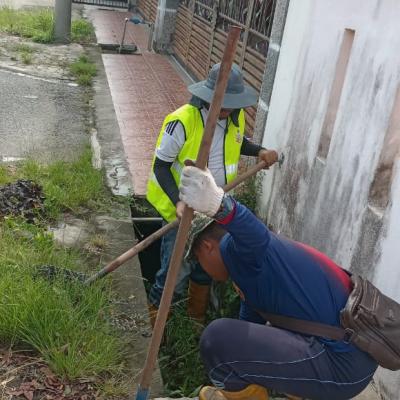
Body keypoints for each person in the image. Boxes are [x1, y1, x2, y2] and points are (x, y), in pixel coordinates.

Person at [178, 165, 378, 400]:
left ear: (206, 247)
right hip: (354, 359)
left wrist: (219, 204)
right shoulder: (252, 272)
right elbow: (248, 328)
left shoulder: (236, 249)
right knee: (235, 340)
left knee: (215, 339)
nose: (202, 268)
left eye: (197, 260)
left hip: (340, 364)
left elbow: (255, 235)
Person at [146, 62, 278, 324]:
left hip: (214, 206)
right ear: (208, 96)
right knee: (175, 270)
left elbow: (238, 143)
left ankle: (195, 319)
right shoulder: (182, 120)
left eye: (232, 104)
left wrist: (259, 151)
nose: (228, 110)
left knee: (207, 264)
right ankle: (155, 326)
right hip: (181, 210)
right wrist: (179, 202)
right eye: (224, 104)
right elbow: (160, 167)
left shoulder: (234, 117)